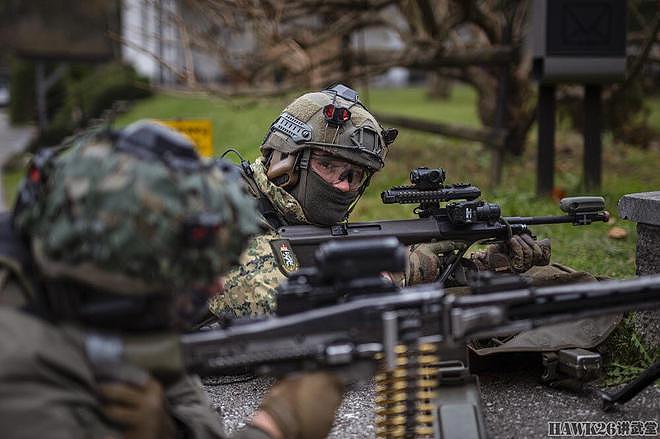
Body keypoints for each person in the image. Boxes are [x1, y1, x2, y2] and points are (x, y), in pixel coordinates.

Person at [0, 121, 343, 439]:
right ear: (123, 275)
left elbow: (193, 409)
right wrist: (277, 425)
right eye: (192, 275)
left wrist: (168, 427)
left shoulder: (119, 311)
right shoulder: (18, 365)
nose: (217, 287)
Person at [208, 83, 551, 319]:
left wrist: (475, 265)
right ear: (284, 160)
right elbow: (277, 305)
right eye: (328, 166)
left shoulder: (291, 215)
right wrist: (406, 268)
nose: (343, 186)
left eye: (355, 176)